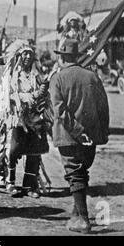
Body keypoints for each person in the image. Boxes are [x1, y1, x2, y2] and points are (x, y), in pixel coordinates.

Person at [49, 38, 109, 234]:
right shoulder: (92, 77)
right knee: (82, 171)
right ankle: (77, 214)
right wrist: (101, 134)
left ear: (62, 57)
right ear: (76, 56)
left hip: (68, 136)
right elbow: (103, 107)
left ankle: (83, 219)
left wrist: (77, 132)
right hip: (91, 137)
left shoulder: (57, 79)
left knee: (75, 173)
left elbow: (59, 111)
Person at [4, 44, 52, 198]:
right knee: (14, 150)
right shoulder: (13, 75)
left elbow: (45, 93)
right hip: (19, 117)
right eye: (24, 54)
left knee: (34, 151)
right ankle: (10, 182)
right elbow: (9, 94)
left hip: (34, 117)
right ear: (19, 56)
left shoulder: (36, 75)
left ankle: (28, 186)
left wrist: (39, 96)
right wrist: (23, 99)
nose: (27, 57)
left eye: (30, 54)